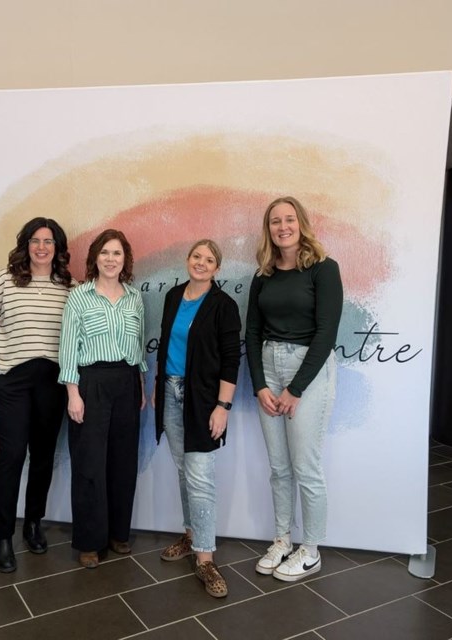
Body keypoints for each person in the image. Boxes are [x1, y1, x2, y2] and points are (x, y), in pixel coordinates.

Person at [245, 196, 344, 582]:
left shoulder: (323, 269)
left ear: (301, 223)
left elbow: (326, 334)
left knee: (306, 467)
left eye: (289, 219)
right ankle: (283, 539)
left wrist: (296, 388)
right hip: (268, 367)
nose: (282, 226)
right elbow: (251, 332)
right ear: (268, 229)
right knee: (279, 467)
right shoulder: (263, 275)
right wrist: (259, 385)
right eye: (274, 221)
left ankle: (312, 549)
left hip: (309, 370)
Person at [0, 217, 75, 573]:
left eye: (49, 241)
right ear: (26, 244)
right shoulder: (5, 279)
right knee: (12, 455)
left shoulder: (69, 285)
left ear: (57, 248)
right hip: (11, 382)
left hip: (52, 381)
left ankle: (33, 524)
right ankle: (3, 537)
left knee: (43, 456)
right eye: (36, 240)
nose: (42, 247)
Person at [153, 239, 241, 598]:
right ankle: (190, 536)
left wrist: (223, 406)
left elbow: (231, 360)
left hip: (204, 401)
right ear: (187, 260)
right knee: (182, 469)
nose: (201, 263)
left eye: (209, 260)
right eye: (196, 257)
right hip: (171, 394)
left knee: (200, 476)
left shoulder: (224, 305)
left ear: (217, 268)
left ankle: (206, 559)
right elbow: (166, 346)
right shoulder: (173, 296)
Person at [59, 229, 147, 569]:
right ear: (95, 257)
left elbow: (139, 344)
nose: (111, 259)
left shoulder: (134, 297)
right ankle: (90, 541)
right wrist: (72, 393)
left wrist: (140, 381)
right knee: (89, 463)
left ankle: (117, 533)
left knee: (123, 461)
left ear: (125, 260)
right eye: (106, 253)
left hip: (127, 382)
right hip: (90, 382)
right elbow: (67, 347)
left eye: (118, 254)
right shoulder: (79, 297)